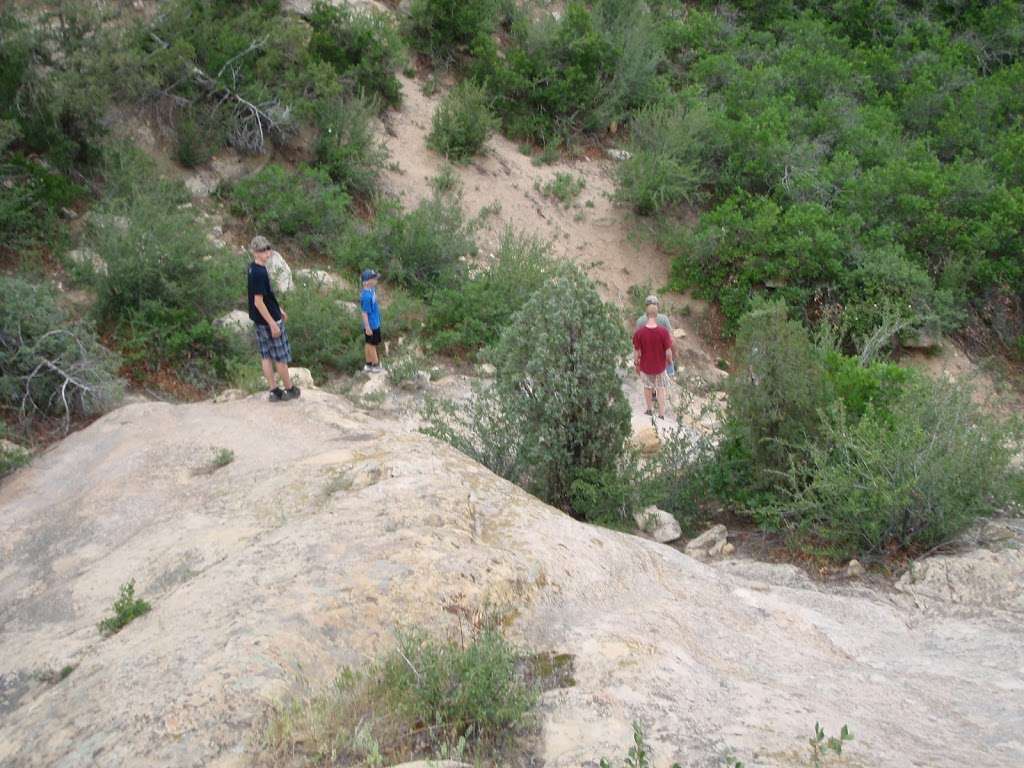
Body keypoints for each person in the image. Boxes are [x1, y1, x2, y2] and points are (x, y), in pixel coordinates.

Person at [247, 236, 300, 401]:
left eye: (268, 249)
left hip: (260, 320)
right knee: (280, 357)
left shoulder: (252, 268)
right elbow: (258, 301)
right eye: (262, 250)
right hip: (269, 321)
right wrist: (272, 323)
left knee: (266, 355)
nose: (267, 253)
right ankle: (289, 388)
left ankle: (274, 390)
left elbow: (266, 296)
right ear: (254, 252)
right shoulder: (259, 272)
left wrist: (278, 308)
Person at [632, 301, 674, 419]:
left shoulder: (639, 333)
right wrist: (670, 361)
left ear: (646, 315)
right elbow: (668, 351)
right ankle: (661, 414)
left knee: (647, 387)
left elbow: (636, 351)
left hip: (646, 366)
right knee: (661, 388)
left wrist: (636, 363)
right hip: (660, 366)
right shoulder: (663, 332)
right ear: (656, 315)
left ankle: (649, 410)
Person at [635, 294, 675, 375]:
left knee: (648, 386)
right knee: (663, 386)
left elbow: (637, 345)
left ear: (646, 307)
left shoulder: (639, 321)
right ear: (657, 306)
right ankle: (671, 367)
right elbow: (671, 339)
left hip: (646, 361)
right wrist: (671, 358)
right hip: (661, 359)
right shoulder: (664, 319)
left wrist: (637, 362)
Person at [360, 268, 384, 373]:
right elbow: (364, 313)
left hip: (375, 322)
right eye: (374, 279)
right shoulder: (366, 296)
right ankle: (375, 365)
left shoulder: (371, 290)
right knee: (371, 345)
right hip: (371, 325)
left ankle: (368, 364)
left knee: (368, 343)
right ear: (367, 282)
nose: (376, 280)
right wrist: (367, 327)